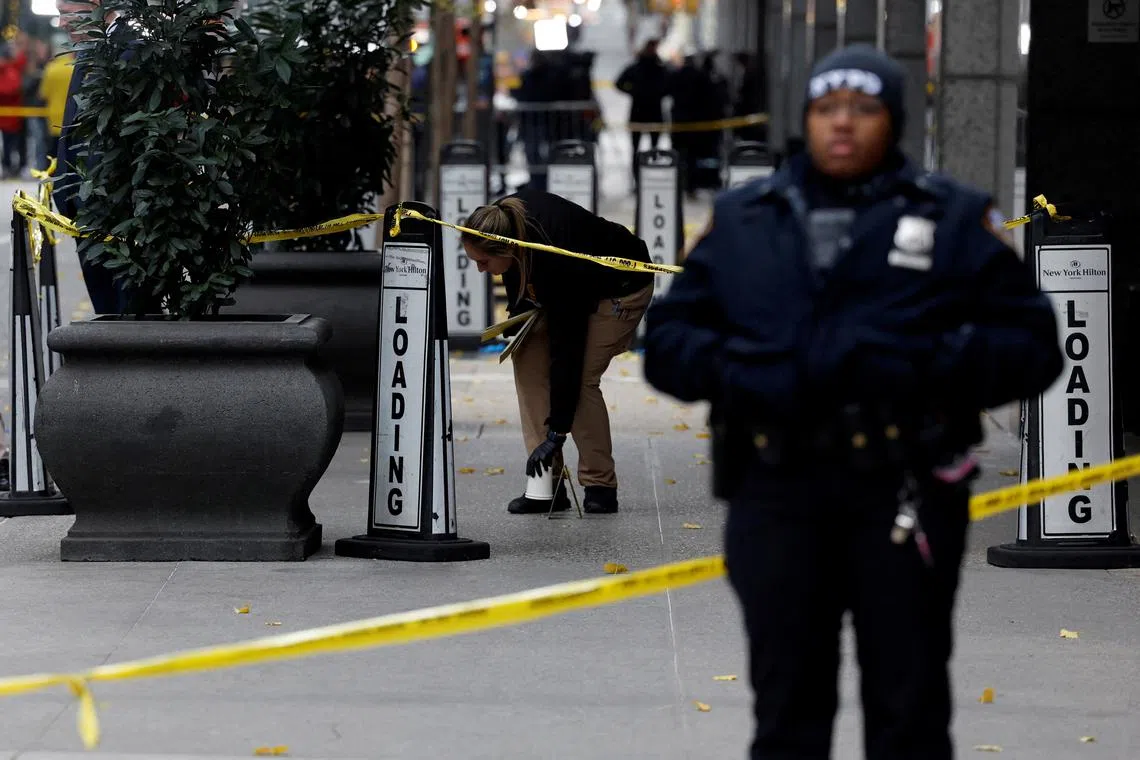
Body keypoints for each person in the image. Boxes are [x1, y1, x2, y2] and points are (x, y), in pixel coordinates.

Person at [643, 44, 1064, 759]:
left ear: (893, 120)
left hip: (905, 491)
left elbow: (1032, 345)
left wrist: (925, 367)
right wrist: (751, 372)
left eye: (863, 109)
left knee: (908, 707)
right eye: (826, 109)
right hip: (775, 490)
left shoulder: (954, 218)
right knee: (788, 707)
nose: (843, 124)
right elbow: (669, 343)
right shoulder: (747, 219)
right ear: (804, 120)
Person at [461, 189, 654, 515]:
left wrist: (557, 432)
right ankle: (545, 485)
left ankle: (600, 486)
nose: (480, 270)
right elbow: (518, 283)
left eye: (483, 262)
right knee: (527, 358)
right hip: (572, 290)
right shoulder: (504, 223)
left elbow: (569, 349)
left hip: (620, 288)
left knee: (579, 382)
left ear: (506, 248)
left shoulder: (554, 254)